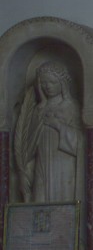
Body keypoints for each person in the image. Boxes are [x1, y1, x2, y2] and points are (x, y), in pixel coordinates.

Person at [13, 60, 82, 203]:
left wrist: (58, 125)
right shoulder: (39, 109)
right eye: (44, 83)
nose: (47, 86)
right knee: (40, 198)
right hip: (41, 161)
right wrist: (25, 170)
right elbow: (30, 144)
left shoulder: (71, 107)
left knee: (63, 200)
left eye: (52, 82)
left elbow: (81, 143)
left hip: (63, 163)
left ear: (62, 83)